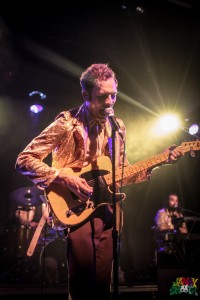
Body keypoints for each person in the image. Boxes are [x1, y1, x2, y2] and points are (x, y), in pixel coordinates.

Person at [15, 63, 184, 300]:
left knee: (103, 285)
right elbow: (24, 159)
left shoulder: (118, 127)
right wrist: (65, 177)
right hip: (75, 208)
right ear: (86, 95)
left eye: (113, 95)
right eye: (103, 96)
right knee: (83, 284)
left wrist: (161, 160)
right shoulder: (67, 122)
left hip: (107, 211)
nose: (110, 102)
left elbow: (122, 173)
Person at [154, 193, 188, 266]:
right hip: (165, 246)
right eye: (172, 200)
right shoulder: (161, 213)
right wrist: (173, 229)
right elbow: (160, 228)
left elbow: (185, 230)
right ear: (167, 201)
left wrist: (181, 230)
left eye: (176, 200)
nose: (175, 203)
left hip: (178, 244)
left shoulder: (179, 214)